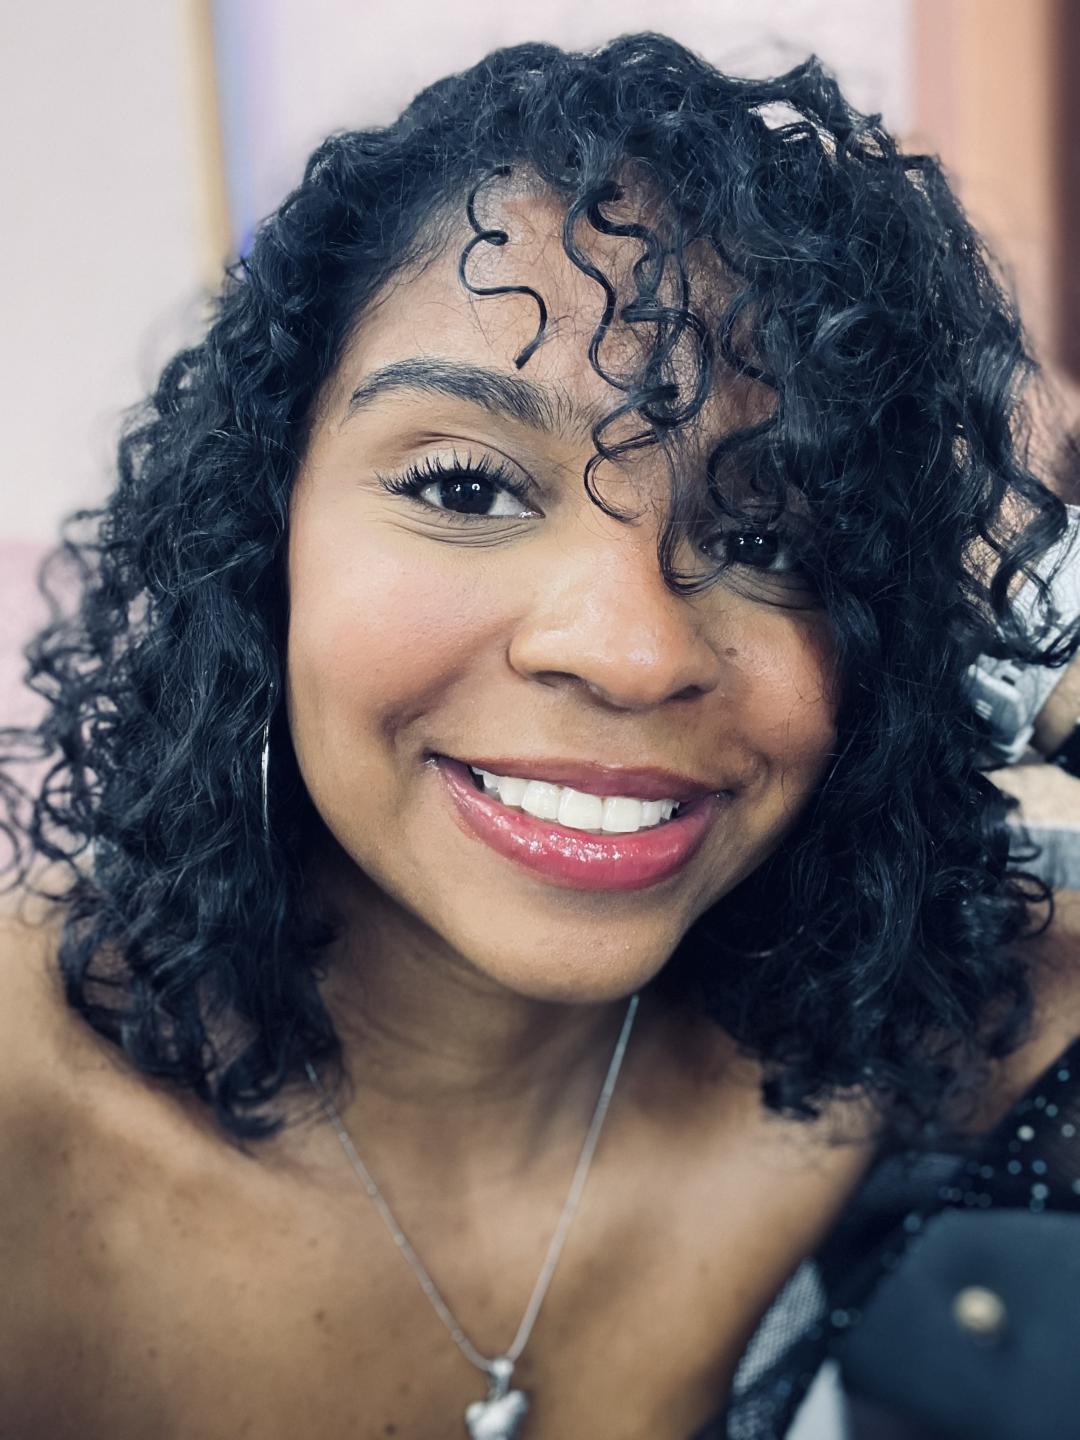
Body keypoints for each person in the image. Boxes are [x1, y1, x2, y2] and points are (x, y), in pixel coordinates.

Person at [1, 32, 1078, 1440]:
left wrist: (1037, 592)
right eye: (466, 488)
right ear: (259, 536)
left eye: (768, 539)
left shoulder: (906, 1027)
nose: (633, 652)